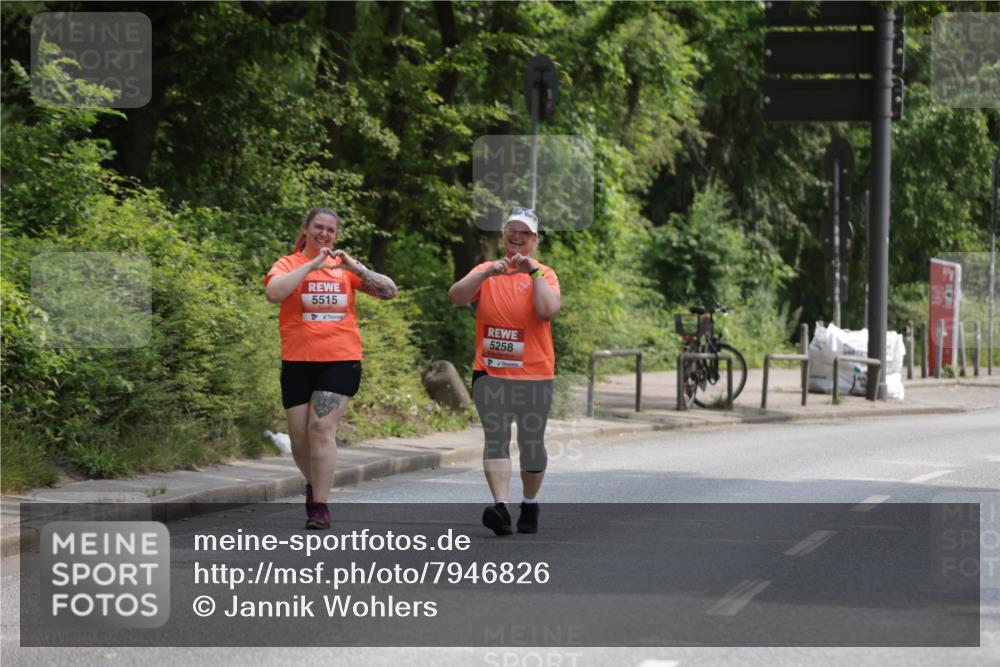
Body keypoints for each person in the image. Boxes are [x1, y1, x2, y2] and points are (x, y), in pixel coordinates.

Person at [264, 207, 398, 529]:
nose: (324, 234)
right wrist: (311, 265)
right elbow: (274, 293)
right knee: (299, 439)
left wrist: (355, 267)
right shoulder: (288, 264)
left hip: (340, 359)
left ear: (336, 235)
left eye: (330, 230)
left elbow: (389, 291)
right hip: (297, 361)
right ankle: (315, 484)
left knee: (321, 428)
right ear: (306, 229)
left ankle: (319, 506)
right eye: (318, 227)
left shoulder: (344, 268)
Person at [448, 207, 561, 536]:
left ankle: (530, 502)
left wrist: (533, 273)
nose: (517, 236)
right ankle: (500, 507)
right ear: (503, 235)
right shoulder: (487, 270)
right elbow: (456, 297)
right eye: (512, 230)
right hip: (490, 372)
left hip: (535, 374)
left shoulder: (545, 273)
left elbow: (547, 311)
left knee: (531, 443)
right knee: (496, 438)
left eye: (525, 232)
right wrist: (485, 274)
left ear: (534, 240)